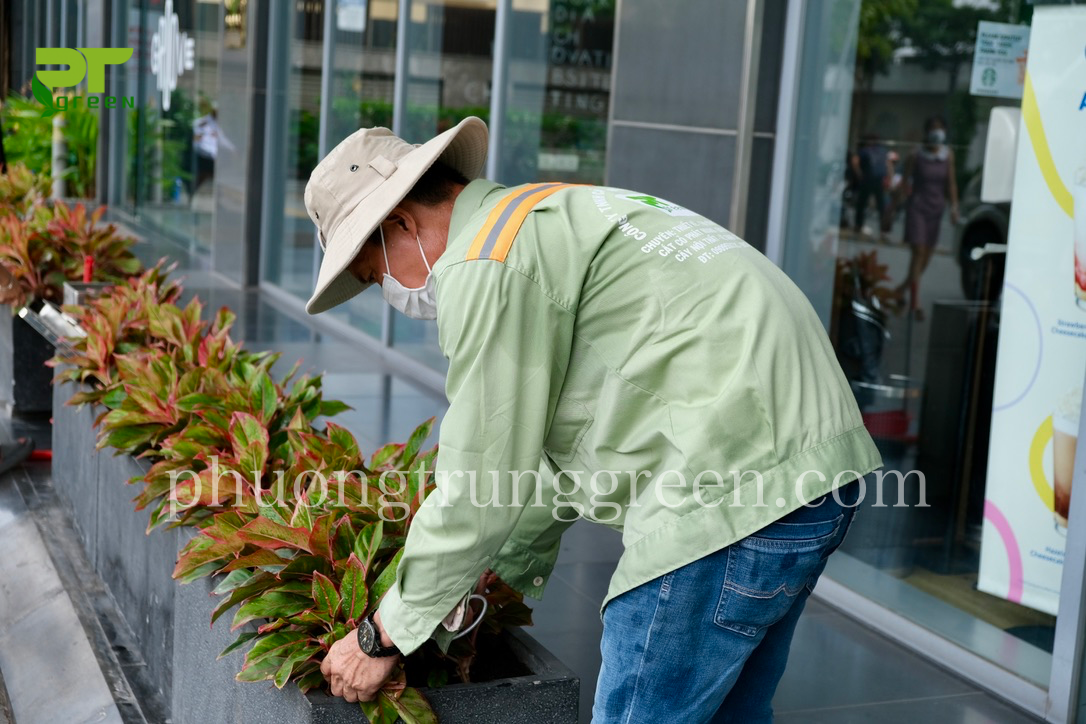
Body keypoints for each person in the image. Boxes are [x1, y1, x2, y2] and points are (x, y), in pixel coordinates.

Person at [307, 118, 883, 722]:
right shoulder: (553, 211)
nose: (392, 291)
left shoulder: (485, 263)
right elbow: (550, 451)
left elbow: (479, 477)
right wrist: (490, 570)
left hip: (723, 492)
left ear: (400, 222)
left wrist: (382, 634)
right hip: (813, 475)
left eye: (377, 274)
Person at [894, 116, 959, 321]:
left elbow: (951, 184)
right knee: (918, 252)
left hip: (936, 210)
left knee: (926, 257)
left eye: (940, 129)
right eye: (933, 128)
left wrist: (954, 207)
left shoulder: (947, 156)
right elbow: (905, 183)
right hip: (917, 207)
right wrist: (893, 208)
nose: (936, 132)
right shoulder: (916, 155)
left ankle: (901, 289)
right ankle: (915, 302)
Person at [851, 133, 893, 241]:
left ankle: (859, 227)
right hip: (878, 180)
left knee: (863, 204)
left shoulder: (865, 151)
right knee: (880, 206)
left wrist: (860, 175)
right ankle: (883, 232)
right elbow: (889, 165)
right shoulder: (882, 151)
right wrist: (889, 178)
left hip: (869, 180)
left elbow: (854, 162)